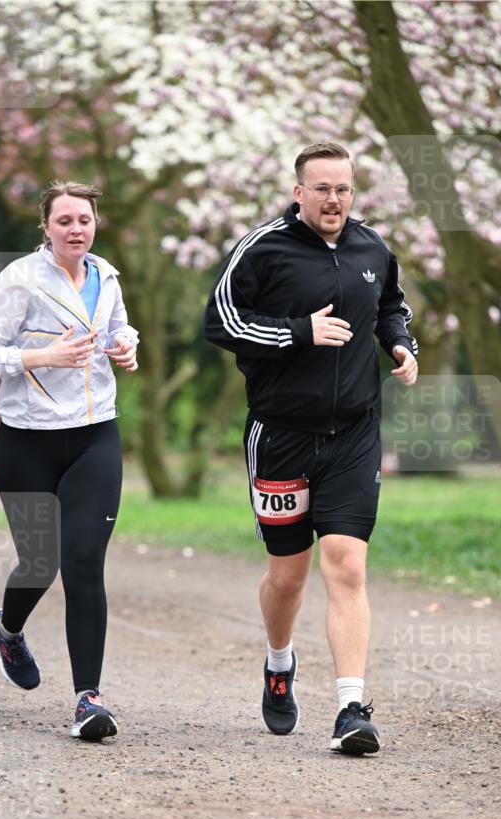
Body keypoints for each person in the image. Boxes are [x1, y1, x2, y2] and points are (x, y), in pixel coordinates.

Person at [204, 142, 418, 755]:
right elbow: (219, 322)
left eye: (343, 189)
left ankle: (352, 707)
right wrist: (302, 331)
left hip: (353, 432)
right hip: (281, 435)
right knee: (287, 576)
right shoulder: (263, 248)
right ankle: (279, 662)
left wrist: (401, 345)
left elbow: (390, 308)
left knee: (348, 564)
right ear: (299, 192)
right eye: (321, 188)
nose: (334, 200)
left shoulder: (372, 247)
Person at [0, 180, 139, 741]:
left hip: (95, 435)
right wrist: (42, 355)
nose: (75, 229)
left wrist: (126, 344)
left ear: (95, 223)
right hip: (28, 441)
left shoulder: (105, 276)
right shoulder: (20, 279)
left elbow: (117, 331)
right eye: (64, 220)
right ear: (46, 226)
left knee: (83, 561)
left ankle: (88, 699)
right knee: (39, 565)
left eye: (84, 219)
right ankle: (8, 629)